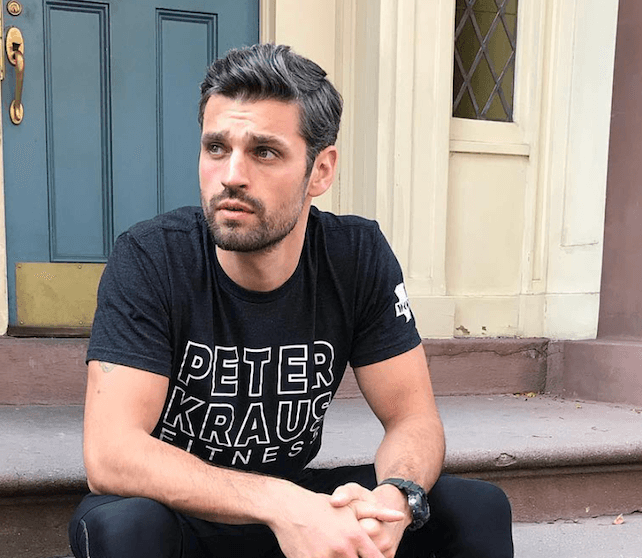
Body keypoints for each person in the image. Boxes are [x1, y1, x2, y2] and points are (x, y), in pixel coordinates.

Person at [69, 43, 514, 558]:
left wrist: (397, 498)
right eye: (216, 148)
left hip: (294, 508)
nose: (232, 174)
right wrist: (282, 504)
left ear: (320, 171)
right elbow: (111, 454)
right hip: (182, 514)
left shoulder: (355, 255)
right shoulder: (151, 258)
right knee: (126, 529)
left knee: (476, 507)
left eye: (264, 151)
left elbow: (413, 419)